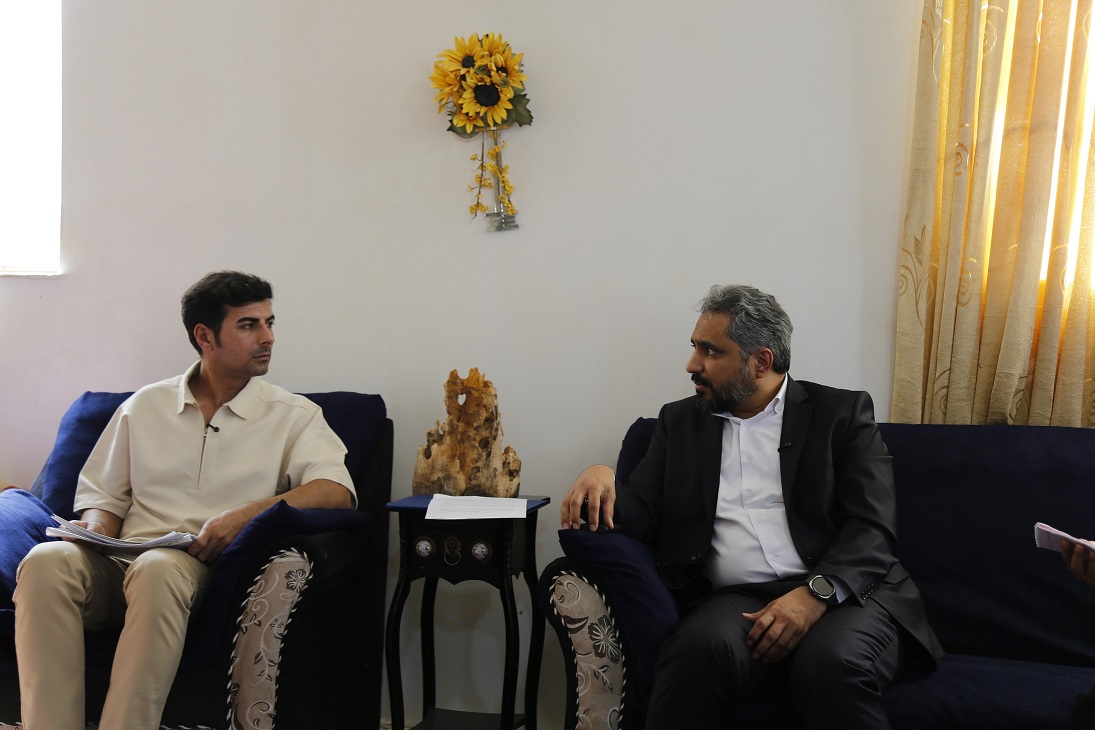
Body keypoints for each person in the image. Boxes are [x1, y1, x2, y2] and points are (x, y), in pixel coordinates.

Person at [560, 284, 943, 729]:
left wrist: (813, 596)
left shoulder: (840, 414)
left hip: (847, 595)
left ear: (761, 362)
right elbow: (642, 510)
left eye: (710, 351)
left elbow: (872, 528)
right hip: (738, 601)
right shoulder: (679, 422)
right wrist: (602, 476)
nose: (692, 364)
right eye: (694, 347)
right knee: (693, 652)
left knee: (830, 663)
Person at [13, 271, 356, 730]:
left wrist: (243, 516)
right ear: (205, 336)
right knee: (46, 560)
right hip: (121, 561)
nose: (268, 337)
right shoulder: (144, 406)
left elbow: (335, 491)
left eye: (269, 323)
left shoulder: (294, 416)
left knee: (158, 569)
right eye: (248, 325)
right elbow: (104, 497)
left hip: (194, 568)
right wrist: (95, 529)